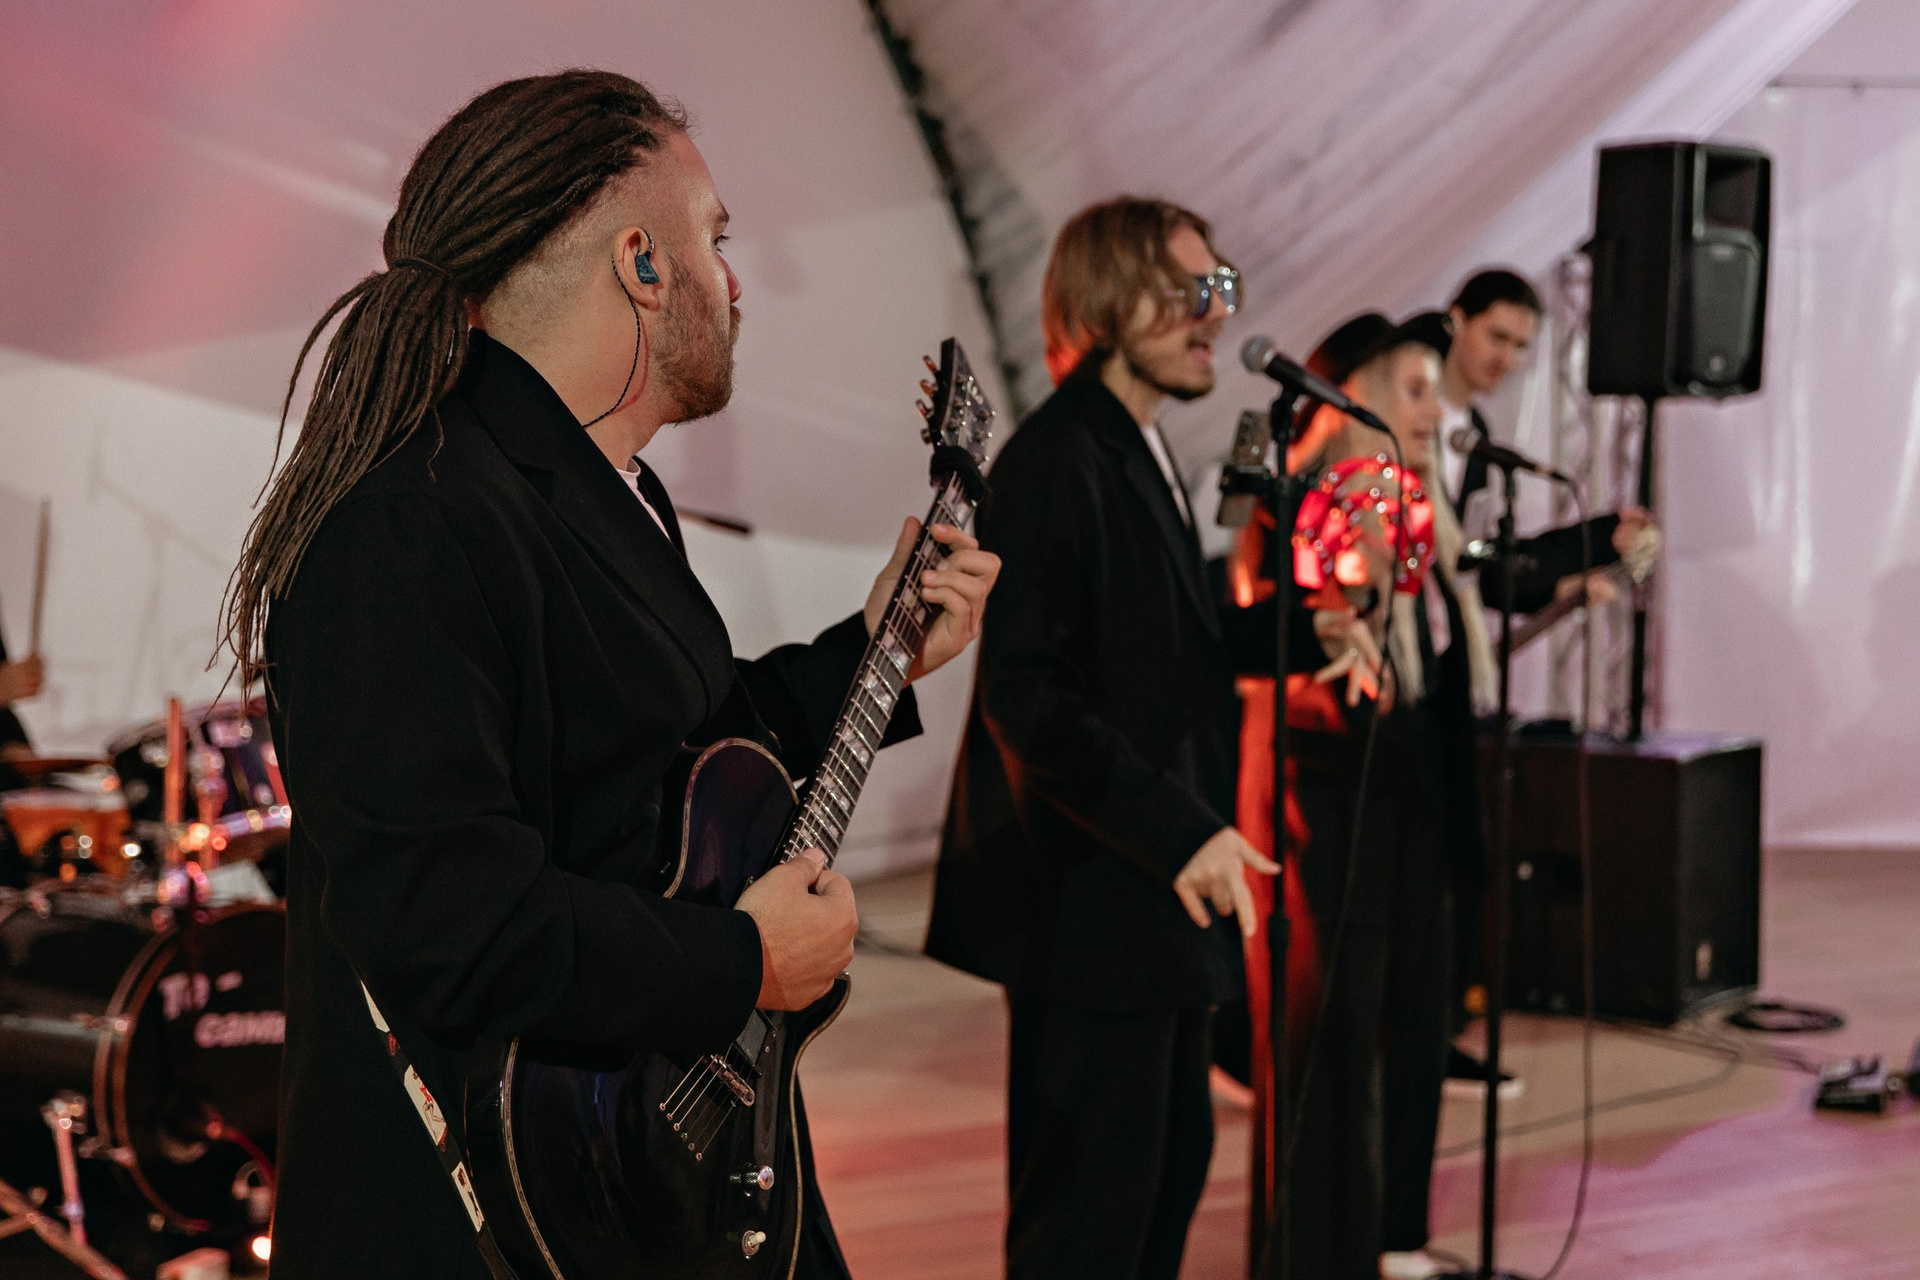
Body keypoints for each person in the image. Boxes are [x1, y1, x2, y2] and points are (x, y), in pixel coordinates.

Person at [219, 71, 1000, 1280]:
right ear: (641, 261)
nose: (733, 282)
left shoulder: (591, 487)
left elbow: (677, 759)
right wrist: (742, 963)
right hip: (504, 1216)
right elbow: (445, 918)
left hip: (643, 1166)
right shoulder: (408, 521)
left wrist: (879, 651)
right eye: (715, 240)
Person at [926, 196, 1277, 1280]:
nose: (1214, 315)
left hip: (1144, 906)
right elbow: (1028, 698)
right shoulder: (1054, 460)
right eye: (1189, 291)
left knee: (1164, 1179)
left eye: (1221, 287)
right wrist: (1182, 831)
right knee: (1089, 1223)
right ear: (1106, 298)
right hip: (1091, 906)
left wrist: (1315, 629)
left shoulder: (1135, 442)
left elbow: (1171, 639)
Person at [1230, 311, 1481, 1280]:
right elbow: (1252, 632)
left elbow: (1459, 610)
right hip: (1318, 783)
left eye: (1435, 392)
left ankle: (1390, 1232)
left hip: (1403, 776)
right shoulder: (1289, 502)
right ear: (1356, 396)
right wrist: (1335, 613)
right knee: (1326, 1027)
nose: (1434, 411)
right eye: (1414, 391)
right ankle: (1313, 1251)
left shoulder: (1416, 506)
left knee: (1413, 1012)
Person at [1439, 268, 1654, 614]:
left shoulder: (1476, 428)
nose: (1506, 360)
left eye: (1520, 346)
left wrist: (1603, 539)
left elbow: (1471, 563)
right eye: (1497, 337)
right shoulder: (1412, 418)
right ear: (1457, 321)